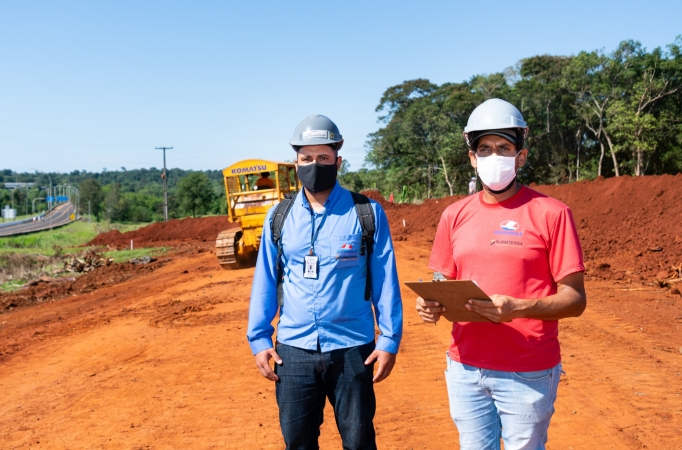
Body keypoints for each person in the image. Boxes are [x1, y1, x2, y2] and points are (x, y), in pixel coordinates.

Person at [415, 98, 586, 450]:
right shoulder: (454, 215)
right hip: (465, 369)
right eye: (484, 149)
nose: (494, 156)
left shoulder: (552, 213)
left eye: (503, 147)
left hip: (527, 370)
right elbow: (440, 282)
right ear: (472, 158)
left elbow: (575, 299)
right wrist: (430, 303)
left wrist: (518, 308)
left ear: (520, 156)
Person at [248, 114, 403, 450]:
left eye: (323, 158)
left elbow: (385, 280)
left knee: (359, 441)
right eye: (307, 158)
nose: (314, 165)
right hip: (294, 352)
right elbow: (265, 278)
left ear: (338, 161)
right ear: (296, 162)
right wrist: (259, 338)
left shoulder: (367, 213)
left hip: (353, 349)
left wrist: (389, 339)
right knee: (298, 443)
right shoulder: (278, 217)